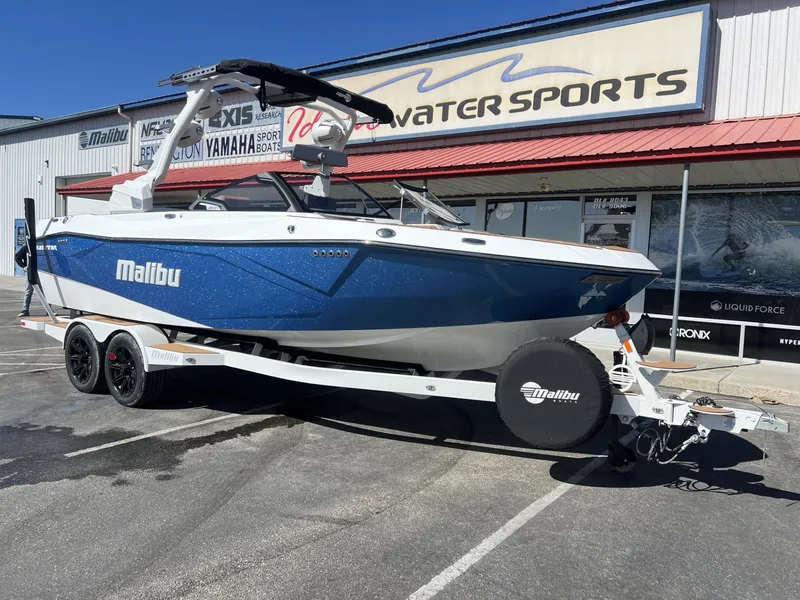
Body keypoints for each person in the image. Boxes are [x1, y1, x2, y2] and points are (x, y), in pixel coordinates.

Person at [14, 245, 33, 317]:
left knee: (44, 291)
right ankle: (25, 310)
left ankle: (48, 310)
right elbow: (17, 257)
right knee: (28, 290)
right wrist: (23, 266)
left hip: (41, 272)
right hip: (29, 272)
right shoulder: (26, 248)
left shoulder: (40, 247)